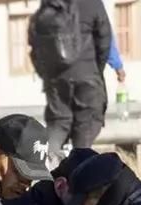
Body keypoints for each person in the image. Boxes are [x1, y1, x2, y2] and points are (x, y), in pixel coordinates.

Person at [29, 0, 112, 160]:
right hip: (87, 75)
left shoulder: (50, 4)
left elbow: (35, 44)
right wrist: (96, 70)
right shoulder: (92, 3)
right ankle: (79, 166)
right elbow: (104, 40)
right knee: (85, 126)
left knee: (58, 123)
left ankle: (46, 164)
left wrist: (47, 75)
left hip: (55, 79)